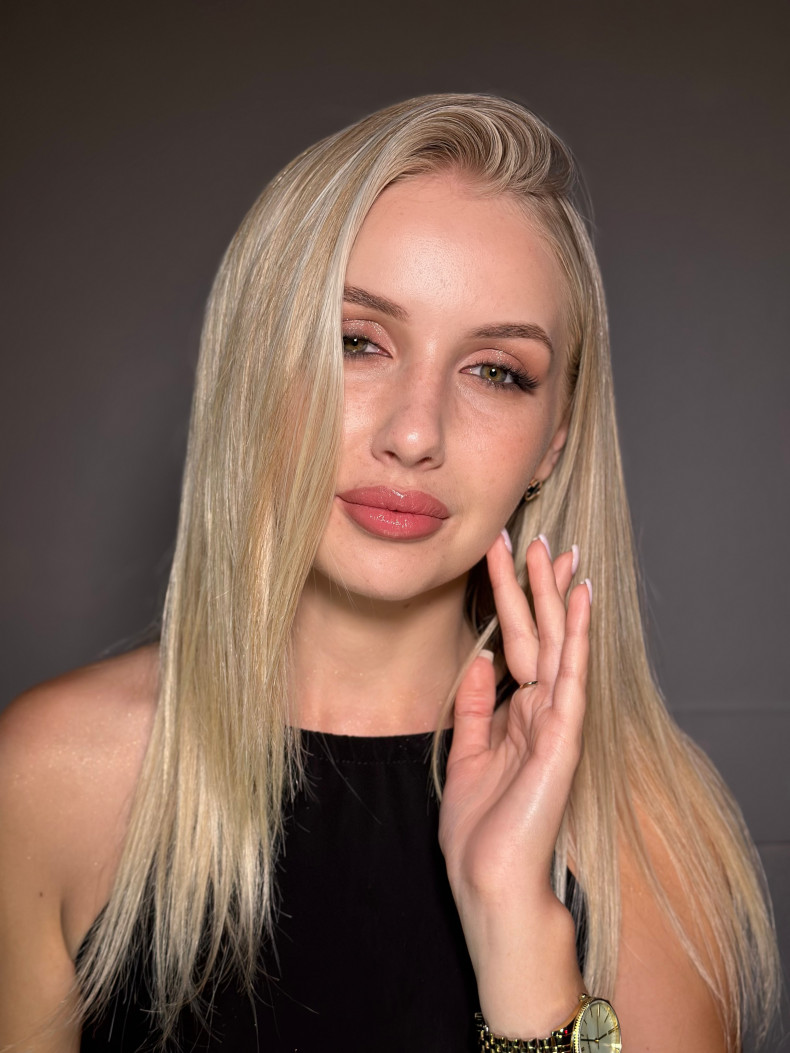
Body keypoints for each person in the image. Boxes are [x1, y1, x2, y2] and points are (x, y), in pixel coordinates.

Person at [0, 93, 780, 1053]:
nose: (415, 434)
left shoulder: (646, 828)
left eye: (496, 370)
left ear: (553, 440)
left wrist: (519, 940)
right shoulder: (51, 777)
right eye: (357, 342)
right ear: (256, 369)